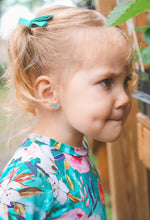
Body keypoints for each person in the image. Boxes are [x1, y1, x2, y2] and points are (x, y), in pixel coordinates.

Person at [0, 5, 134, 220]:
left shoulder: (73, 150)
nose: (125, 98)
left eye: (125, 81)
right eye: (106, 82)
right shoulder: (30, 174)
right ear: (50, 93)